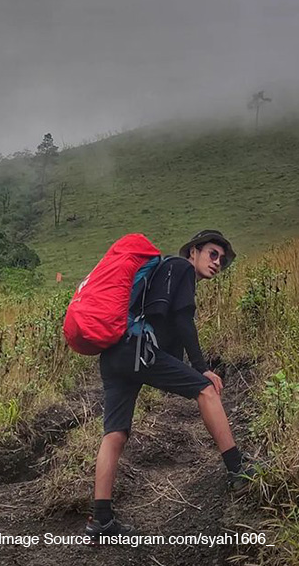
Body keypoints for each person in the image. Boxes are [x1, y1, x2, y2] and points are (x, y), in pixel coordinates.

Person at [85, 229, 258, 539]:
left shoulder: (164, 273)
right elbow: (183, 320)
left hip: (114, 356)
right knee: (206, 389)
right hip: (137, 351)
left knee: (115, 434)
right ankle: (238, 470)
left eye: (223, 259)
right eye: (212, 254)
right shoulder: (180, 269)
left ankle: (101, 521)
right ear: (193, 252)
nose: (217, 262)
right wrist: (202, 369)